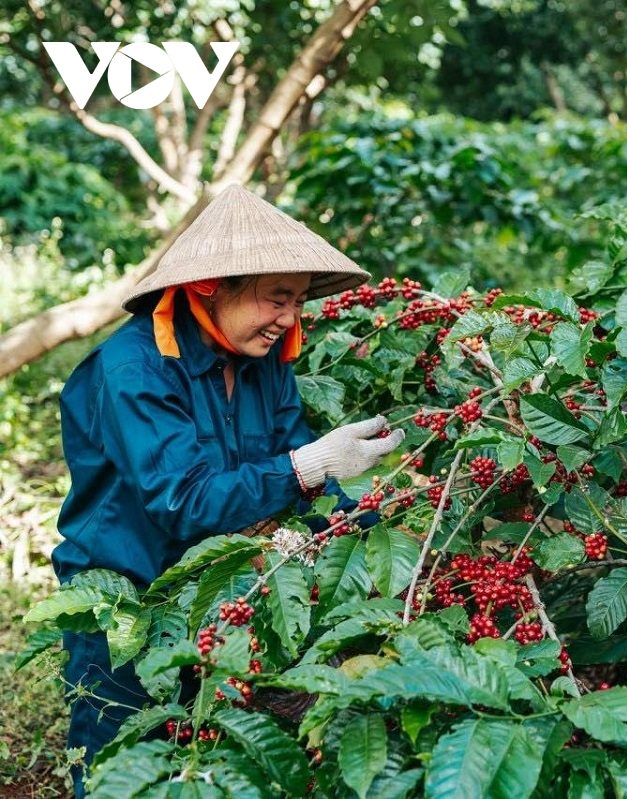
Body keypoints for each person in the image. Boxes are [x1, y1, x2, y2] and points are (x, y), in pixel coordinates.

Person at [52, 184, 403, 797]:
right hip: (125, 598)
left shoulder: (265, 363)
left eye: (296, 300)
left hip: (216, 592)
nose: (290, 318)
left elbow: (301, 475)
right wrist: (309, 465)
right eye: (277, 298)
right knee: (119, 764)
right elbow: (185, 500)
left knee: (211, 757)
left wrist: (375, 529)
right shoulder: (134, 368)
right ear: (212, 286)